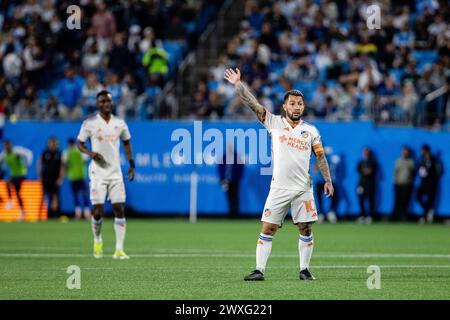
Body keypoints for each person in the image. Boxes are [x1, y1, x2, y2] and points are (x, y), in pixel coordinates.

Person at [224, 68, 334, 281]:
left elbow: (320, 157)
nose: (296, 106)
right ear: (285, 106)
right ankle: (259, 270)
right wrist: (239, 84)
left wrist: (328, 180)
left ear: (304, 107)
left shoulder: (311, 131)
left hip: (303, 188)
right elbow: (252, 104)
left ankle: (304, 270)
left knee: (306, 227)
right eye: (292, 103)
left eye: (300, 103)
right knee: (269, 227)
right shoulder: (273, 123)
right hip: (279, 187)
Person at [77, 90, 135, 259]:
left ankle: (119, 249)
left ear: (112, 103)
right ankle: (97, 239)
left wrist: (132, 165)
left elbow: (127, 143)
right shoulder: (90, 123)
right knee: (98, 211)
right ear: (98, 104)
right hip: (97, 174)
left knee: (119, 208)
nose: (106, 104)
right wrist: (91, 154)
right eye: (102, 101)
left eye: (108, 101)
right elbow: (79, 143)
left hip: (115, 174)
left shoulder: (120, 123)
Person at [0, 140, 33, 221]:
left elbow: (29, 153)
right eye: (5, 146)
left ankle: (11, 201)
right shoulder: (4, 154)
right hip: (13, 175)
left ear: (11, 145)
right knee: (17, 193)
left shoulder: (17, 151)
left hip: (21, 174)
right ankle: (22, 211)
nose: (7, 147)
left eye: (8, 145)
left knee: (8, 182)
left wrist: (27, 163)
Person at [61, 138, 91, 220]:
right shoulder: (81, 151)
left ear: (68, 144)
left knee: (75, 196)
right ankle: (87, 213)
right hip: (81, 176)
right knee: (84, 195)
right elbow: (85, 161)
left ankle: (78, 214)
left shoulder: (66, 152)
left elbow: (64, 164)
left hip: (72, 177)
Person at [313, 146, 339, 224]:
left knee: (333, 196)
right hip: (319, 180)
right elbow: (314, 168)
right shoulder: (316, 154)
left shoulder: (329, 153)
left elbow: (333, 166)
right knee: (319, 197)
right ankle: (320, 213)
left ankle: (331, 212)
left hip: (329, 181)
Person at [416, 144, 442, 224]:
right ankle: (428, 211)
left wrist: (433, 178)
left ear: (427, 150)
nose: (422, 152)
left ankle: (425, 216)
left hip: (431, 183)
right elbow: (420, 169)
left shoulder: (434, 159)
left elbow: (438, 170)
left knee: (430, 200)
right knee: (418, 196)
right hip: (423, 183)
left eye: (423, 150)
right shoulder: (421, 159)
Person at [37, 137, 63, 216]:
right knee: (43, 195)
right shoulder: (45, 153)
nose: (52, 144)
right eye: (50, 142)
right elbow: (39, 164)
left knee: (55, 196)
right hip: (46, 178)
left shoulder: (59, 153)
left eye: (53, 142)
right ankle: (39, 215)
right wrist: (40, 176)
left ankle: (54, 214)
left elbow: (62, 166)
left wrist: (60, 178)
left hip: (55, 178)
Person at [218, 144, 244, 219]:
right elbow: (220, 168)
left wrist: (238, 178)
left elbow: (240, 169)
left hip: (235, 180)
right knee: (229, 197)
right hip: (226, 181)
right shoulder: (224, 156)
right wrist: (222, 179)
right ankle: (231, 213)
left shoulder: (236, 156)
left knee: (235, 197)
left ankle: (236, 214)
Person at [391, 146, 415, 222]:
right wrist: (394, 182)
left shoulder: (411, 162)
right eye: (403, 151)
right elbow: (395, 172)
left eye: (406, 151)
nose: (404, 153)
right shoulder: (398, 161)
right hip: (398, 183)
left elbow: (413, 173)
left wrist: (410, 181)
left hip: (407, 184)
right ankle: (395, 217)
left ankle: (403, 216)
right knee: (397, 201)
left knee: (405, 201)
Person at [356, 147, 378, 224]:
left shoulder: (373, 162)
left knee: (370, 200)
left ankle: (370, 216)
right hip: (362, 183)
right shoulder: (361, 162)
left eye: (367, 151)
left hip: (370, 184)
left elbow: (372, 171)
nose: (365, 153)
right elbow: (359, 170)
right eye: (364, 151)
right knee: (361, 200)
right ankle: (362, 215)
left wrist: (367, 171)